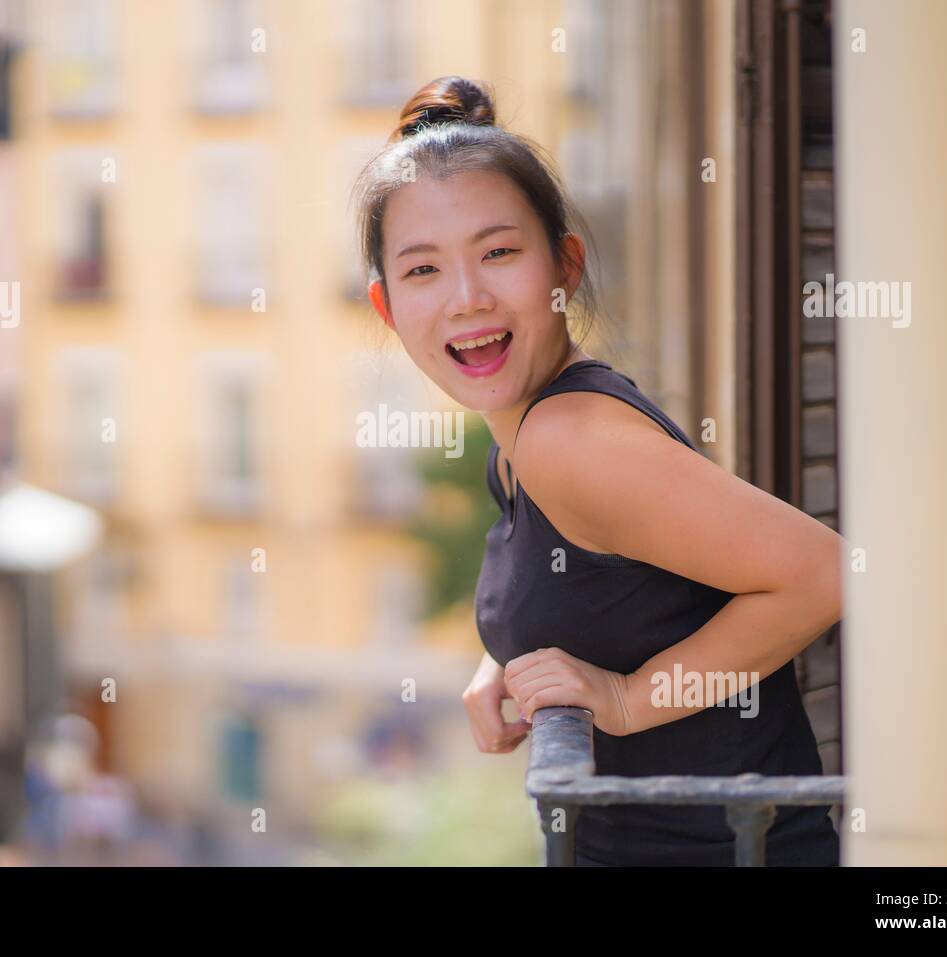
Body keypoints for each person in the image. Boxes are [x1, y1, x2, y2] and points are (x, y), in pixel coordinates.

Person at [351, 75, 843, 866]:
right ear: (386, 306)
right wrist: (508, 655)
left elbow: (824, 574)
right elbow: (601, 583)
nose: (467, 297)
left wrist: (623, 698)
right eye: (423, 271)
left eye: (500, 252)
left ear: (564, 267)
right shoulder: (521, 433)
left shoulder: (567, 439)